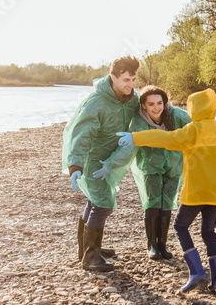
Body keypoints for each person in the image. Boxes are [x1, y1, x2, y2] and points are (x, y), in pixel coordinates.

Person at [117, 88, 216, 293]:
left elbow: (164, 138)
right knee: (209, 232)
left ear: (193, 108)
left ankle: (196, 272)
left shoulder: (192, 130)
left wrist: (135, 137)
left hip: (196, 192)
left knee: (180, 227)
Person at [62, 55, 140, 272]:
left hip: (111, 158)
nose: (130, 85)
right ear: (112, 77)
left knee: (95, 200)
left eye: (133, 79)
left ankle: (87, 248)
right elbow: (81, 134)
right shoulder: (97, 102)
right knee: (103, 203)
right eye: (125, 80)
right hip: (92, 159)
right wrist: (75, 166)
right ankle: (90, 257)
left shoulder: (132, 98)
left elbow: (152, 110)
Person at [113, 85, 190, 260]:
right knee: (152, 203)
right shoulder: (139, 120)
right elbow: (126, 145)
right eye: (151, 104)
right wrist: (110, 164)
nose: (156, 108)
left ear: (165, 103)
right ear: (144, 106)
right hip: (150, 165)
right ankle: (152, 244)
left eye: (159, 103)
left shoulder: (176, 115)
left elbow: (199, 124)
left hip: (174, 164)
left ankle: (162, 242)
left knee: (167, 203)